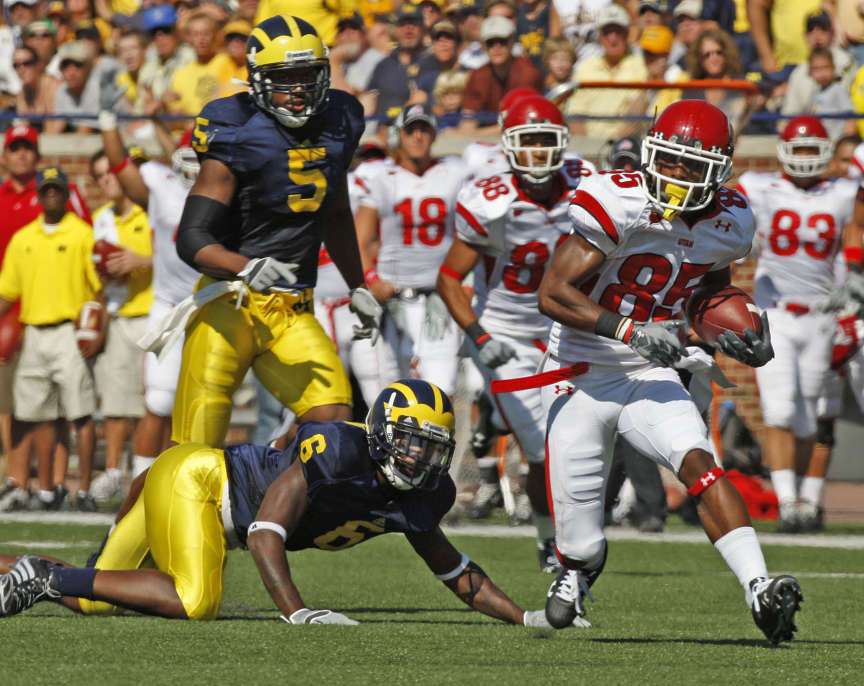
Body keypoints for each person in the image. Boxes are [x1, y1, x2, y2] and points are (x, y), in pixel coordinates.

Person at [535, 100, 802, 644]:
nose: (675, 175)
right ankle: (580, 570)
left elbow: (708, 288)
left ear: (719, 171)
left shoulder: (729, 220)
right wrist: (629, 330)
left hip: (648, 370)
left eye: (690, 166)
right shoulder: (619, 200)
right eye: (669, 160)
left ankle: (758, 587)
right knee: (581, 542)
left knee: (699, 462)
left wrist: (734, 328)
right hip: (579, 368)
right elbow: (553, 293)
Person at [0, 380, 568, 631]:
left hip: (185, 486)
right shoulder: (339, 450)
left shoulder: (420, 492)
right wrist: (298, 610)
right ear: (379, 434)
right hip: (199, 480)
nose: (418, 459)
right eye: (409, 442)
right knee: (196, 601)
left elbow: (454, 570)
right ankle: (47, 581)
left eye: (430, 449)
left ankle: (29, 573)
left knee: (95, 598)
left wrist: (528, 617)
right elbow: (267, 530)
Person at [161, 14, 381, 449]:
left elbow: (335, 213)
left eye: (307, 76)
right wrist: (245, 265)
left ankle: (261, 487)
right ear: (258, 81)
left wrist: (359, 284)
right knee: (191, 450)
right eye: (285, 79)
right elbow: (192, 238)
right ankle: (124, 521)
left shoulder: (340, 118)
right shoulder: (235, 129)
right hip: (230, 306)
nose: (298, 90)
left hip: (293, 307)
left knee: (332, 417)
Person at [437, 95, 578, 572]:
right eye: (528, 142)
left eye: (546, 141)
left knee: (578, 436)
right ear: (508, 146)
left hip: (566, 327)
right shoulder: (489, 200)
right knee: (539, 446)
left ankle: (569, 534)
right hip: (507, 334)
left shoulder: (587, 184)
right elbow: (449, 278)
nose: (538, 152)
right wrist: (479, 336)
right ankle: (547, 539)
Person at [737, 116, 859, 533]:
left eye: (812, 149)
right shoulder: (760, 187)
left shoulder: (842, 192)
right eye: (799, 148)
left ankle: (808, 501)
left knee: (811, 416)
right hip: (777, 314)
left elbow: (855, 230)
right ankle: (788, 501)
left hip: (822, 317)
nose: (805, 157)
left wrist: (853, 278)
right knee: (780, 408)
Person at [0, 167, 103, 513]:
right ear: (39, 195)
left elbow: (98, 289)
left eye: (58, 189)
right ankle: (45, 489)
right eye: (47, 190)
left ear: (65, 192)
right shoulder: (24, 238)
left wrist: (96, 328)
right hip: (33, 333)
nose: (52, 195)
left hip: (68, 331)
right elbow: (7, 293)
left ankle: (84, 489)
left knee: (81, 413)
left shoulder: (81, 234)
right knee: (35, 414)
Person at [354, 104, 467, 396]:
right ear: (398, 136)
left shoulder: (454, 173)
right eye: (411, 130)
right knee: (390, 395)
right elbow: (360, 239)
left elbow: (471, 236)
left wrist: (464, 282)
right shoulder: (381, 177)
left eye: (424, 130)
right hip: (392, 300)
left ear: (434, 135)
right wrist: (371, 279)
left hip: (439, 299)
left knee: (440, 390)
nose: (417, 137)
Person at [88, 151, 154, 502]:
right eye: (99, 176)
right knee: (115, 401)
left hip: (151, 315)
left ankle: (146, 470)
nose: (107, 180)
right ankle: (114, 470)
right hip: (117, 314)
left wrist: (139, 260)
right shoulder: (100, 220)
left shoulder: (150, 212)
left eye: (111, 172)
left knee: (152, 401)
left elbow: (176, 259)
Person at [563, 4, 647, 141]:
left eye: (617, 32)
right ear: (600, 37)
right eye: (607, 32)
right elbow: (575, 114)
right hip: (588, 146)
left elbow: (636, 113)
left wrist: (615, 147)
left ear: (626, 35)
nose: (612, 38)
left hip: (626, 145)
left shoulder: (640, 65)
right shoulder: (585, 68)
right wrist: (586, 148)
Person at [459, 15, 543, 132]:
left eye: (502, 41)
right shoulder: (478, 76)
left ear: (512, 42)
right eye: (490, 43)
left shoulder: (528, 73)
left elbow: (525, 124)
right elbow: (467, 125)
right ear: (483, 46)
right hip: (487, 140)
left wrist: (480, 132)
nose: (496, 47)